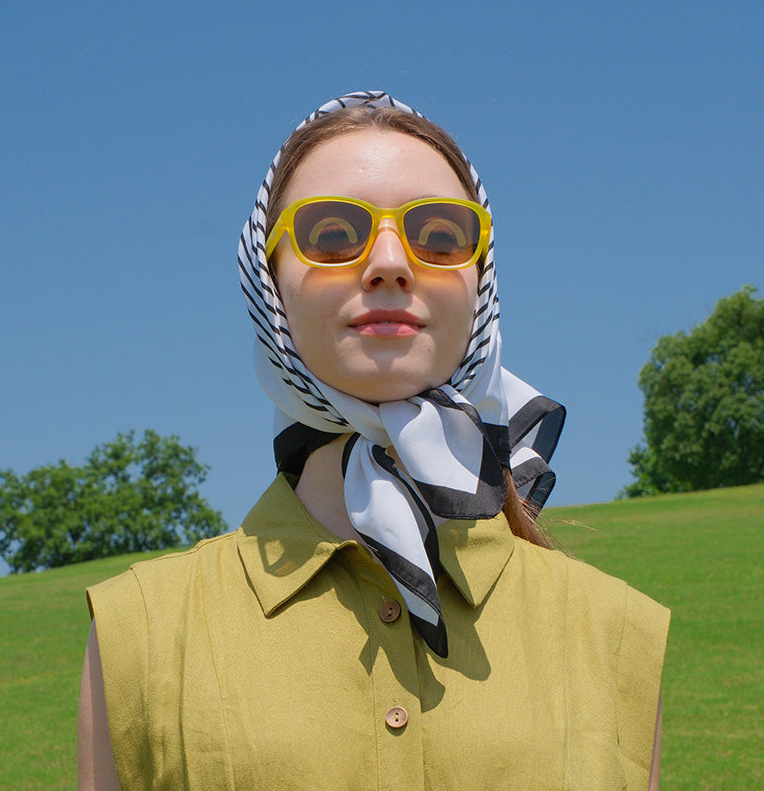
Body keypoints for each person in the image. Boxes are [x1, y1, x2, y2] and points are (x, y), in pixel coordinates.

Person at [78, 91, 669, 790]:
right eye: (330, 234)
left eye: (441, 235)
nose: (390, 262)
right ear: (269, 287)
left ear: (479, 285)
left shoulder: (620, 632)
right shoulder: (136, 633)